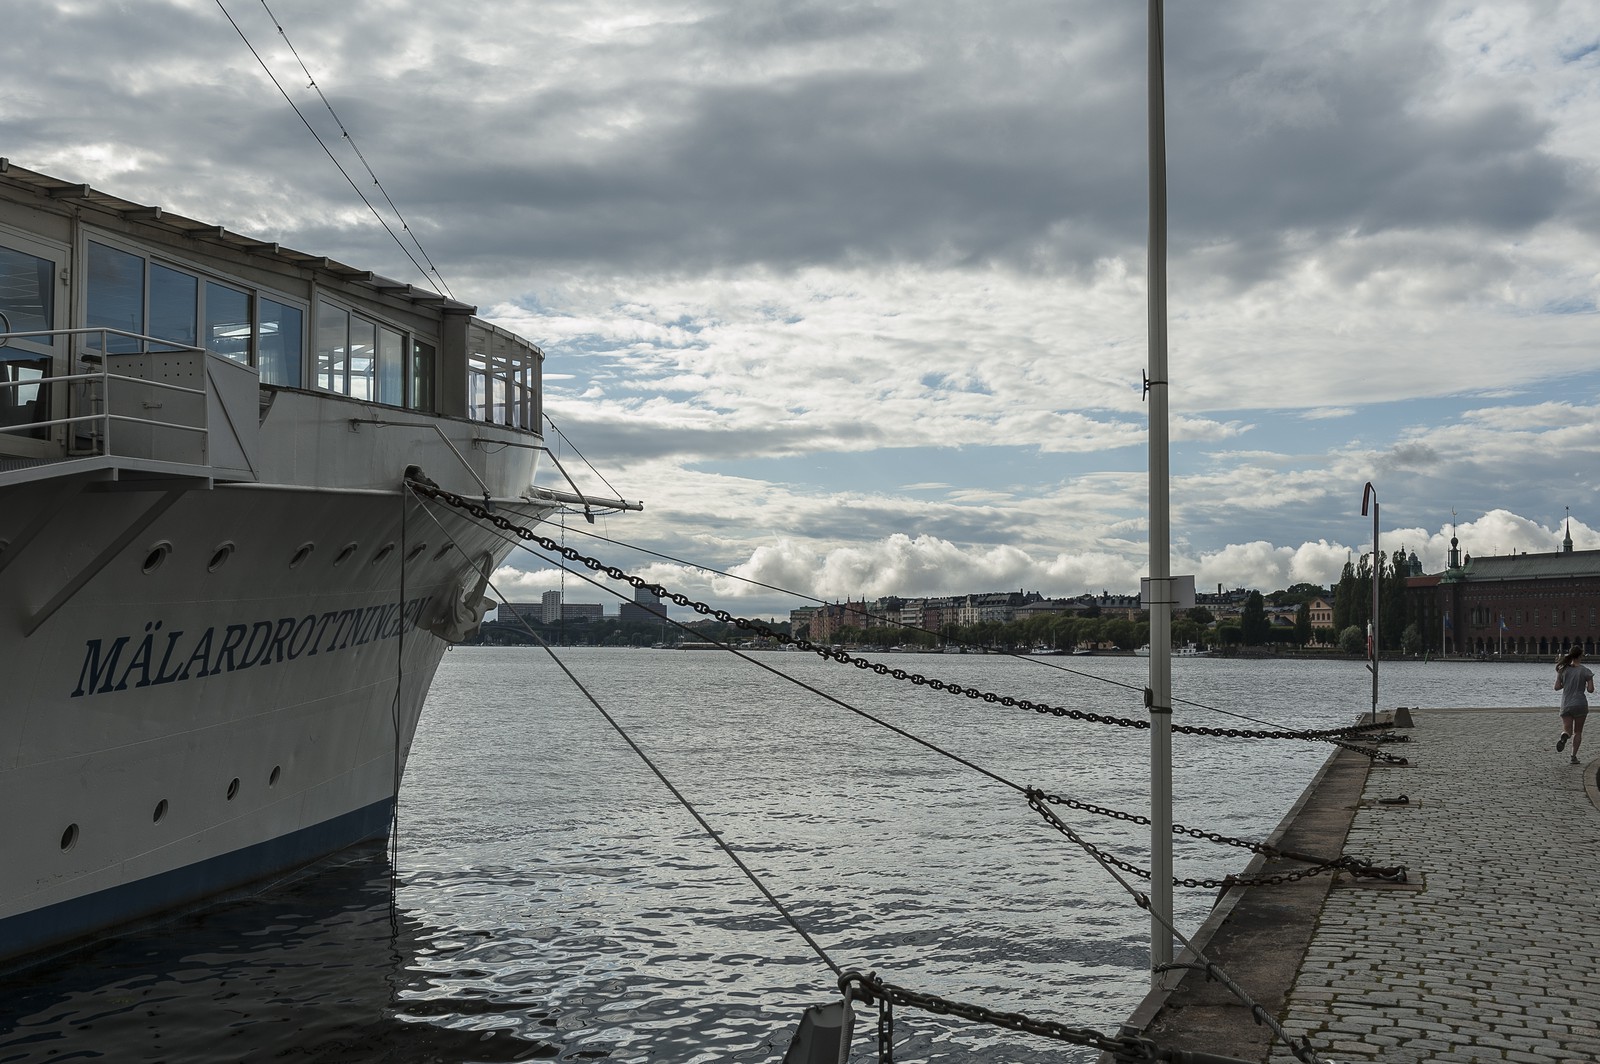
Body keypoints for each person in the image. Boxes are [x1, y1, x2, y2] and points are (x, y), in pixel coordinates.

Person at [1554, 646, 1595, 764]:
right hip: (1580, 704)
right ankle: (1573, 756)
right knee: (1578, 732)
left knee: (1568, 730)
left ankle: (1564, 735)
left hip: (1566, 704)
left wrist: (1565, 685)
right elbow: (1591, 690)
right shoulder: (1586, 671)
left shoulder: (1563, 670)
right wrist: (1587, 684)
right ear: (1581, 655)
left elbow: (1556, 687)